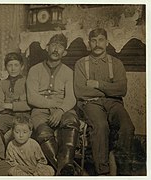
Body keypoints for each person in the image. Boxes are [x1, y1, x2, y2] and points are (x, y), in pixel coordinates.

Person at [74, 28, 135, 175]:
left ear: (107, 42)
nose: (97, 44)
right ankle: (103, 172)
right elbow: (80, 92)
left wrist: (97, 84)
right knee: (100, 126)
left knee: (127, 126)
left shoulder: (116, 63)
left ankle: (121, 167)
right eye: (94, 41)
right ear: (89, 44)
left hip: (114, 103)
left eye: (101, 40)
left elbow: (122, 90)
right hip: (91, 103)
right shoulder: (81, 64)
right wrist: (110, 88)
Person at [26, 34, 80, 176]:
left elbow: (70, 98)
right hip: (40, 110)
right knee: (43, 132)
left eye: (60, 46)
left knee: (71, 121)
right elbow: (32, 98)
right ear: (47, 47)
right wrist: (52, 105)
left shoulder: (69, 72)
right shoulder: (34, 70)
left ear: (65, 52)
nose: (56, 49)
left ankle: (64, 167)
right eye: (53, 45)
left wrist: (60, 110)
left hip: (64, 109)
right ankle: (64, 170)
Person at [0, 52, 31, 143]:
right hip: (6, 116)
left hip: (23, 116)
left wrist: (9, 105)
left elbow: (29, 104)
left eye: (16, 65)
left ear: (22, 67)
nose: (13, 68)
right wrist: (19, 102)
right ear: (6, 67)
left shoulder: (28, 81)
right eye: (10, 65)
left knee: (19, 131)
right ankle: (0, 152)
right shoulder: (2, 83)